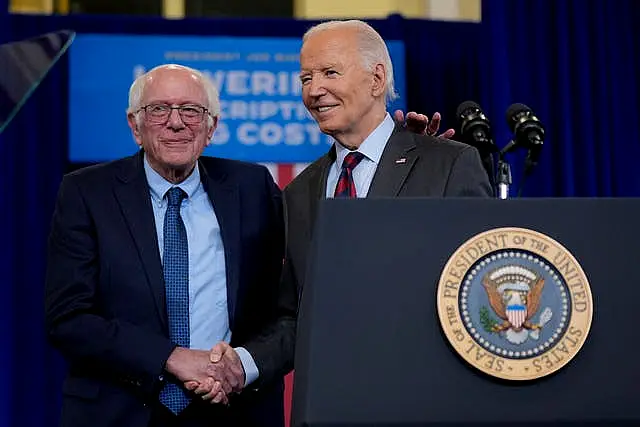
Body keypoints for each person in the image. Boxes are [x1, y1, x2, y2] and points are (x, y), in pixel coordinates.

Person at [219, 19, 494, 391]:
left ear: (376, 79)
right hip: (330, 399)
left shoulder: (448, 165)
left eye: (330, 72)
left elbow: (477, 290)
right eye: (305, 78)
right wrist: (243, 365)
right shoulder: (299, 193)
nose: (315, 90)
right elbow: (295, 318)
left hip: (426, 396)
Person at [44, 64, 286, 427]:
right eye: (159, 109)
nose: (176, 122)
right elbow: (68, 318)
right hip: (120, 409)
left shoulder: (252, 188)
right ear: (134, 125)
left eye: (191, 110)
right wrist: (170, 357)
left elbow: (283, 308)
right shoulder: (87, 193)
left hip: (233, 409)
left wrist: (239, 366)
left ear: (211, 127)